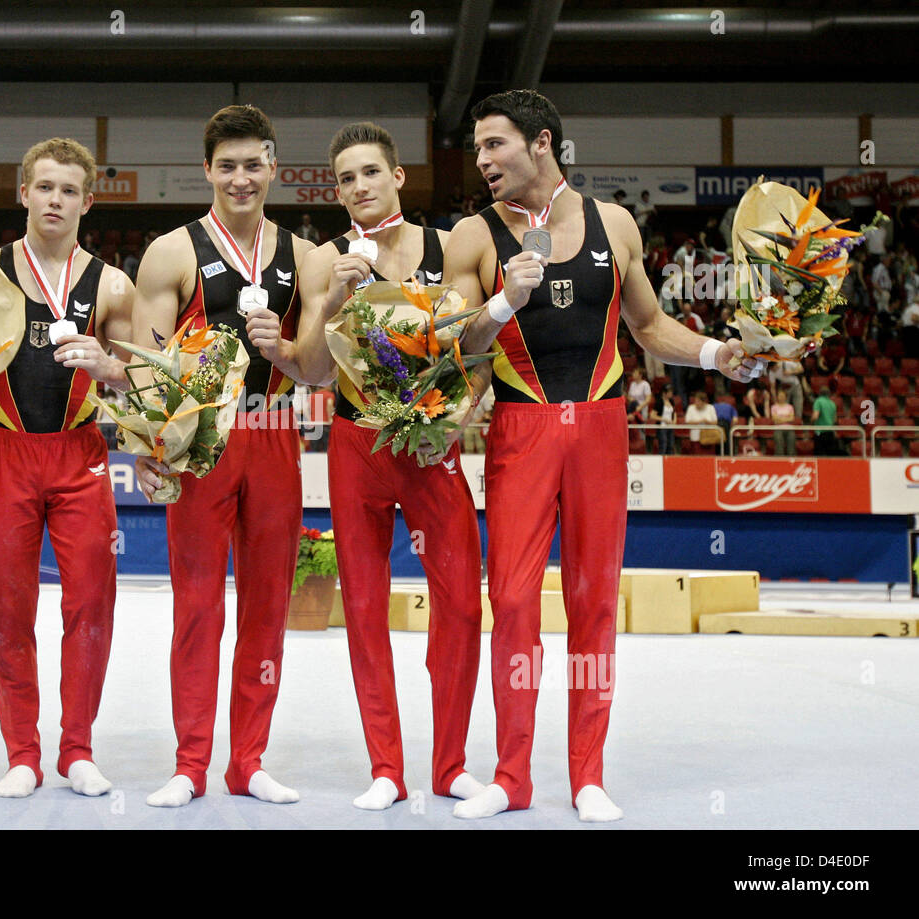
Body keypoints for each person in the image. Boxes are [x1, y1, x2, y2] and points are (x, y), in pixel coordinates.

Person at [444, 89, 763, 822]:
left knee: (593, 601)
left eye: (496, 144)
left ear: (542, 142)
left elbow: (648, 325)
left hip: (599, 427)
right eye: (479, 148)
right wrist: (498, 306)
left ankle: (588, 773)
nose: (483, 159)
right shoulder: (472, 236)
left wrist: (720, 352)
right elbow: (455, 348)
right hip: (519, 429)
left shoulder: (612, 223)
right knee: (516, 600)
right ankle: (512, 776)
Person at [290, 121, 488, 811]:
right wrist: (337, 301)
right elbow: (313, 369)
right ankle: (385, 765)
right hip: (357, 443)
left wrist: (457, 423)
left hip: (433, 442)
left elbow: (483, 347)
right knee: (366, 606)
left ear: (399, 176)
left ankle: (451, 763)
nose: (358, 187)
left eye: (370, 172)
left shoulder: (451, 245)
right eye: (345, 178)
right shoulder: (324, 260)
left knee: (462, 603)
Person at [132, 104, 314, 808]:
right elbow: (149, 366)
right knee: (198, 605)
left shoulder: (307, 256)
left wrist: (289, 348)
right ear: (207, 170)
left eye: (254, 164)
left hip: (274, 434)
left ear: (273, 167)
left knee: (268, 607)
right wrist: (150, 448)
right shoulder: (171, 251)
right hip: (199, 443)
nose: (241, 178)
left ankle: (249, 759)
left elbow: (323, 371)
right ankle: (191, 761)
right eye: (227, 166)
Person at [0, 138, 134, 801]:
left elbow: (139, 380)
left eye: (69, 190)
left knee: (91, 603)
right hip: (7, 448)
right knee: (10, 608)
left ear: (87, 201)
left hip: (80, 452)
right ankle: (22, 750)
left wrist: (108, 365)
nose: (55, 199)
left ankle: (77, 746)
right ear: (22, 192)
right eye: (44, 186)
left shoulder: (113, 284)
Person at [684, 389, 718, 454]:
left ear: (703, 401)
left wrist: (706, 421)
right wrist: (699, 421)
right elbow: (688, 422)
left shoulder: (711, 407)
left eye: (698, 401)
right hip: (696, 437)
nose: (696, 403)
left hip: (709, 438)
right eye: (695, 401)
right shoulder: (691, 408)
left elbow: (715, 422)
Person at [811, 385, 840, 455]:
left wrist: (811, 421)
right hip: (830, 432)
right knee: (829, 455)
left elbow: (815, 416)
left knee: (819, 455)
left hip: (820, 432)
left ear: (819, 393)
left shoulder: (818, 401)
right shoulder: (832, 403)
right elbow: (835, 420)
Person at [771, 387, 797, 456]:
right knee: (779, 443)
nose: (781, 397)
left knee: (791, 441)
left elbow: (792, 419)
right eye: (780, 396)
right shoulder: (774, 407)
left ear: (785, 397)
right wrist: (786, 418)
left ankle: (791, 459)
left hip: (789, 429)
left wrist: (780, 419)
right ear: (777, 397)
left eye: (783, 396)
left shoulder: (790, 407)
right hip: (778, 429)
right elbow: (775, 419)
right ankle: (780, 459)